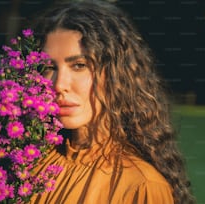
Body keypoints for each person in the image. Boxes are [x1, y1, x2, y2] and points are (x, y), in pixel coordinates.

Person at [29, 1, 195, 203]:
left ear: (116, 74)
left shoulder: (142, 186)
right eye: (49, 67)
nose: (59, 85)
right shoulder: (30, 165)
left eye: (79, 65)